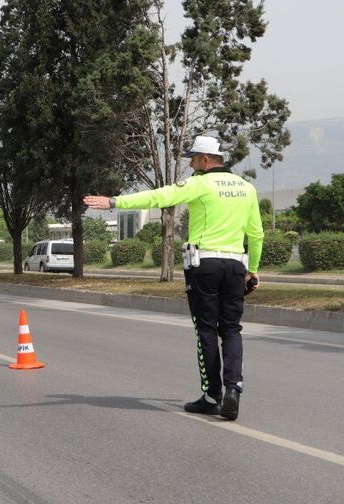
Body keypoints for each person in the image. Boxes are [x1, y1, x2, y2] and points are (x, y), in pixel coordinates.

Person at [84, 135, 263, 421]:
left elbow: (158, 196)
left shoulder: (199, 183)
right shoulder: (247, 188)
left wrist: (114, 201)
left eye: (193, 159)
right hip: (235, 267)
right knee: (231, 329)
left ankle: (211, 395)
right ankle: (233, 389)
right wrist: (252, 270)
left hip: (204, 264)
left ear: (205, 160)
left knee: (206, 329)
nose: (191, 165)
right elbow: (256, 234)